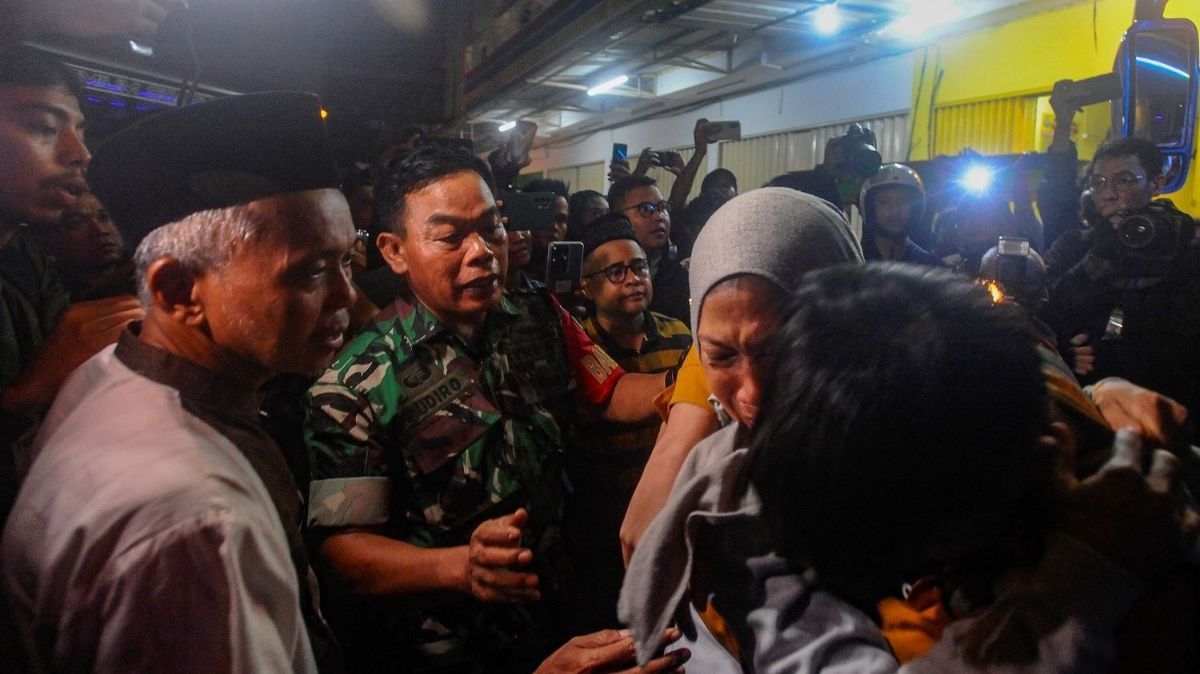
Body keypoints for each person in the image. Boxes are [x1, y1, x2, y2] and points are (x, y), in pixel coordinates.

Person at [3, 92, 354, 674]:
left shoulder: (105, 373)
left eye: (348, 258)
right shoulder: (197, 524)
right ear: (177, 292)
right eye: (311, 270)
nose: (346, 298)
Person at [303, 144, 680, 674]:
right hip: (451, 645)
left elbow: (611, 392)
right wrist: (461, 568)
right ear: (394, 251)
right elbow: (344, 554)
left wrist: (698, 379)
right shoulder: (355, 382)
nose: (482, 251)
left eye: (491, 227)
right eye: (451, 236)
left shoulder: (537, 315)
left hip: (558, 604)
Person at [744, 264, 1198, 673]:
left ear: (1052, 452)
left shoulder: (1146, 578)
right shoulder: (981, 393)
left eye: (928, 544)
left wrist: (1079, 585)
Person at [618, 187, 864, 672]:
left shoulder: (936, 433)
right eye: (720, 356)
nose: (751, 393)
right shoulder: (713, 472)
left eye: (777, 352)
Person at [0, 46, 143, 524]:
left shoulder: (26, 260)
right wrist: (30, 390)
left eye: (79, 132)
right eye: (44, 127)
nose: (78, 153)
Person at [569, 213, 691, 631]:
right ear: (586, 286)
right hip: (603, 515)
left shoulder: (680, 336)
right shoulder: (576, 344)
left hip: (671, 509)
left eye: (639, 267)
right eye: (615, 271)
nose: (633, 279)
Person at [1044, 137, 1200, 428]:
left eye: (1124, 180)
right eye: (1099, 182)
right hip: (1095, 410)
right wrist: (1064, 351)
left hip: (1172, 410)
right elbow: (1047, 308)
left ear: (1156, 183)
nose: (1109, 193)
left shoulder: (1184, 249)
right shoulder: (1076, 245)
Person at [607, 175, 689, 324]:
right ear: (617, 218)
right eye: (646, 209)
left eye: (662, 208)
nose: (659, 217)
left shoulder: (682, 277)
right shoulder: (603, 277)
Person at [28, 189, 135, 300]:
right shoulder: (44, 297)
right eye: (77, 222)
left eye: (105, 217)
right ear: (48, 239)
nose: (100, 230)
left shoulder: (145, 271)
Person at [859, 163, 943, 267]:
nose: (895, 210)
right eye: (884, 201)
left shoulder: (931, 268)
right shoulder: (853, 262)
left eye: (903, 201)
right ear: (870, 208)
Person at [521, 178, 569, 282]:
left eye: (561, 219)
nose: (554, 227)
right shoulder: (512, 270)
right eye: (546, 218)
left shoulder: (572, 270)